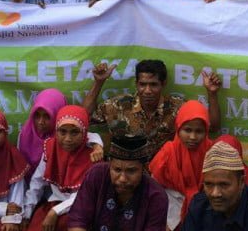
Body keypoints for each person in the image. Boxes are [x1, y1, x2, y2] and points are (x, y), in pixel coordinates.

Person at [82, 59, 221, 160]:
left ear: (163, 84)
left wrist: (212, 93)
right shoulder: (117, 105)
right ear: (136, 84)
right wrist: (99, 82)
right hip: (123, 174)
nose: (147, 91)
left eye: (153, 85)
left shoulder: (177, 107)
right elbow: (82, 118)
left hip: (162, 176)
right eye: (143, 84)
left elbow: (212, 127)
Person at [20, 105, 103, 231]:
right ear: (56, 130)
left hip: (81, 209)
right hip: (55, 203)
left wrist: (55, 212)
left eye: (74, 132)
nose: (67, 139)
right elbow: (37, 182)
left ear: (84, 132)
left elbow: (83, 196)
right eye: (62, 132)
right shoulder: (51, 147)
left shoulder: (92, 155)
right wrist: (27, 213)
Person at [150, 100, 213, 231]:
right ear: (178, 128)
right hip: (169, 217)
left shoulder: (212, 152)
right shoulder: (168, 153)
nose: (193, 137)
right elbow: (154, 189)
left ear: (206, 131)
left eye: (199, 131)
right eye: (187, 130)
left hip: (206, 215)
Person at [17, 88, 66, 169]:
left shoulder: (66, 139)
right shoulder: (25, 135)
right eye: (37, 115)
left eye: (47, 116)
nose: (40, 122)